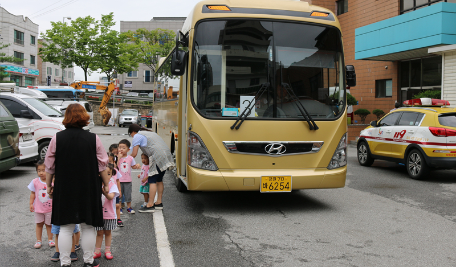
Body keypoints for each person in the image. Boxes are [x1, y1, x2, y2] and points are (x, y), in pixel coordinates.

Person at [45, 103, 111, 267]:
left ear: (66, 117)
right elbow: (103, 165)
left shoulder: (56, 138)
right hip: (88, 185)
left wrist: (48, 185)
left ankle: (65, 262)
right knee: (88, 226)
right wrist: (106, 184)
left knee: (66, 227)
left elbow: (50, 166)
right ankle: (88, 261)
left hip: (64, 186)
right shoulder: (93, 138)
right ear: (84, 117)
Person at [127, 124, 174, 213]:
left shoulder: (137, 136)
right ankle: (159, 202)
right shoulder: (148, 133)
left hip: (157, 156)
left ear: (132, 132)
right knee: (159, 180)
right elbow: (131, 148)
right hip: (165, 155)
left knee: (152, 180)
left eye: (131, 134)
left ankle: (150, 205)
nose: (132, 136)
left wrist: (124, 160)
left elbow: (134, 154)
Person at [94, 165, 119, 260]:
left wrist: (104, 192)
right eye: (104, 173)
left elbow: (111, 197)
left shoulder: (112, 185)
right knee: (99, 233)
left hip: (109, 214)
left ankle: (107, 250)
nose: (106, 176)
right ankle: (97, 251)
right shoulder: (96, 184)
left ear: (112, 175)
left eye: (109, 174)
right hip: (99, 215)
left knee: (108, 233)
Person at [28, 160, 54, 249]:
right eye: (39, 171)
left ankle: (50, 239)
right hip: (38, 208)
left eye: (43, 170)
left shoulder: (52, 182)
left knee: (49, 224)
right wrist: (31, 203)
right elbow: (32, 193)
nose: (41, 173)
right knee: (39, 224)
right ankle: (38, 240)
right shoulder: (35, 181)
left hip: (49, 209)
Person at [117, 139, 140, 214]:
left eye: (123, 148)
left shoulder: (130, 158)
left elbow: (133, 166)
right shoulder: (117, 157)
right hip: (118, 180)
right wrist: (118, 158)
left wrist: (136, 166)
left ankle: (129, 207)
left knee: (128, 194)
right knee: (119, 195)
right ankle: (119, 208)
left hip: (127, 180)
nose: (121, 149)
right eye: (120, 147)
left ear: (128, 149)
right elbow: (114, 166)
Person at [108, 152, 123, 227]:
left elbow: (117, 180)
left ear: (114, 162)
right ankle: (109, 217)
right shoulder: (104, 171)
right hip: (107, 191)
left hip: (114, 191)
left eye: (110, 162)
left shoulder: (115, 170)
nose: (109, 164)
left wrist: (119, 190)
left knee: (117, 205)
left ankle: (118, 218)